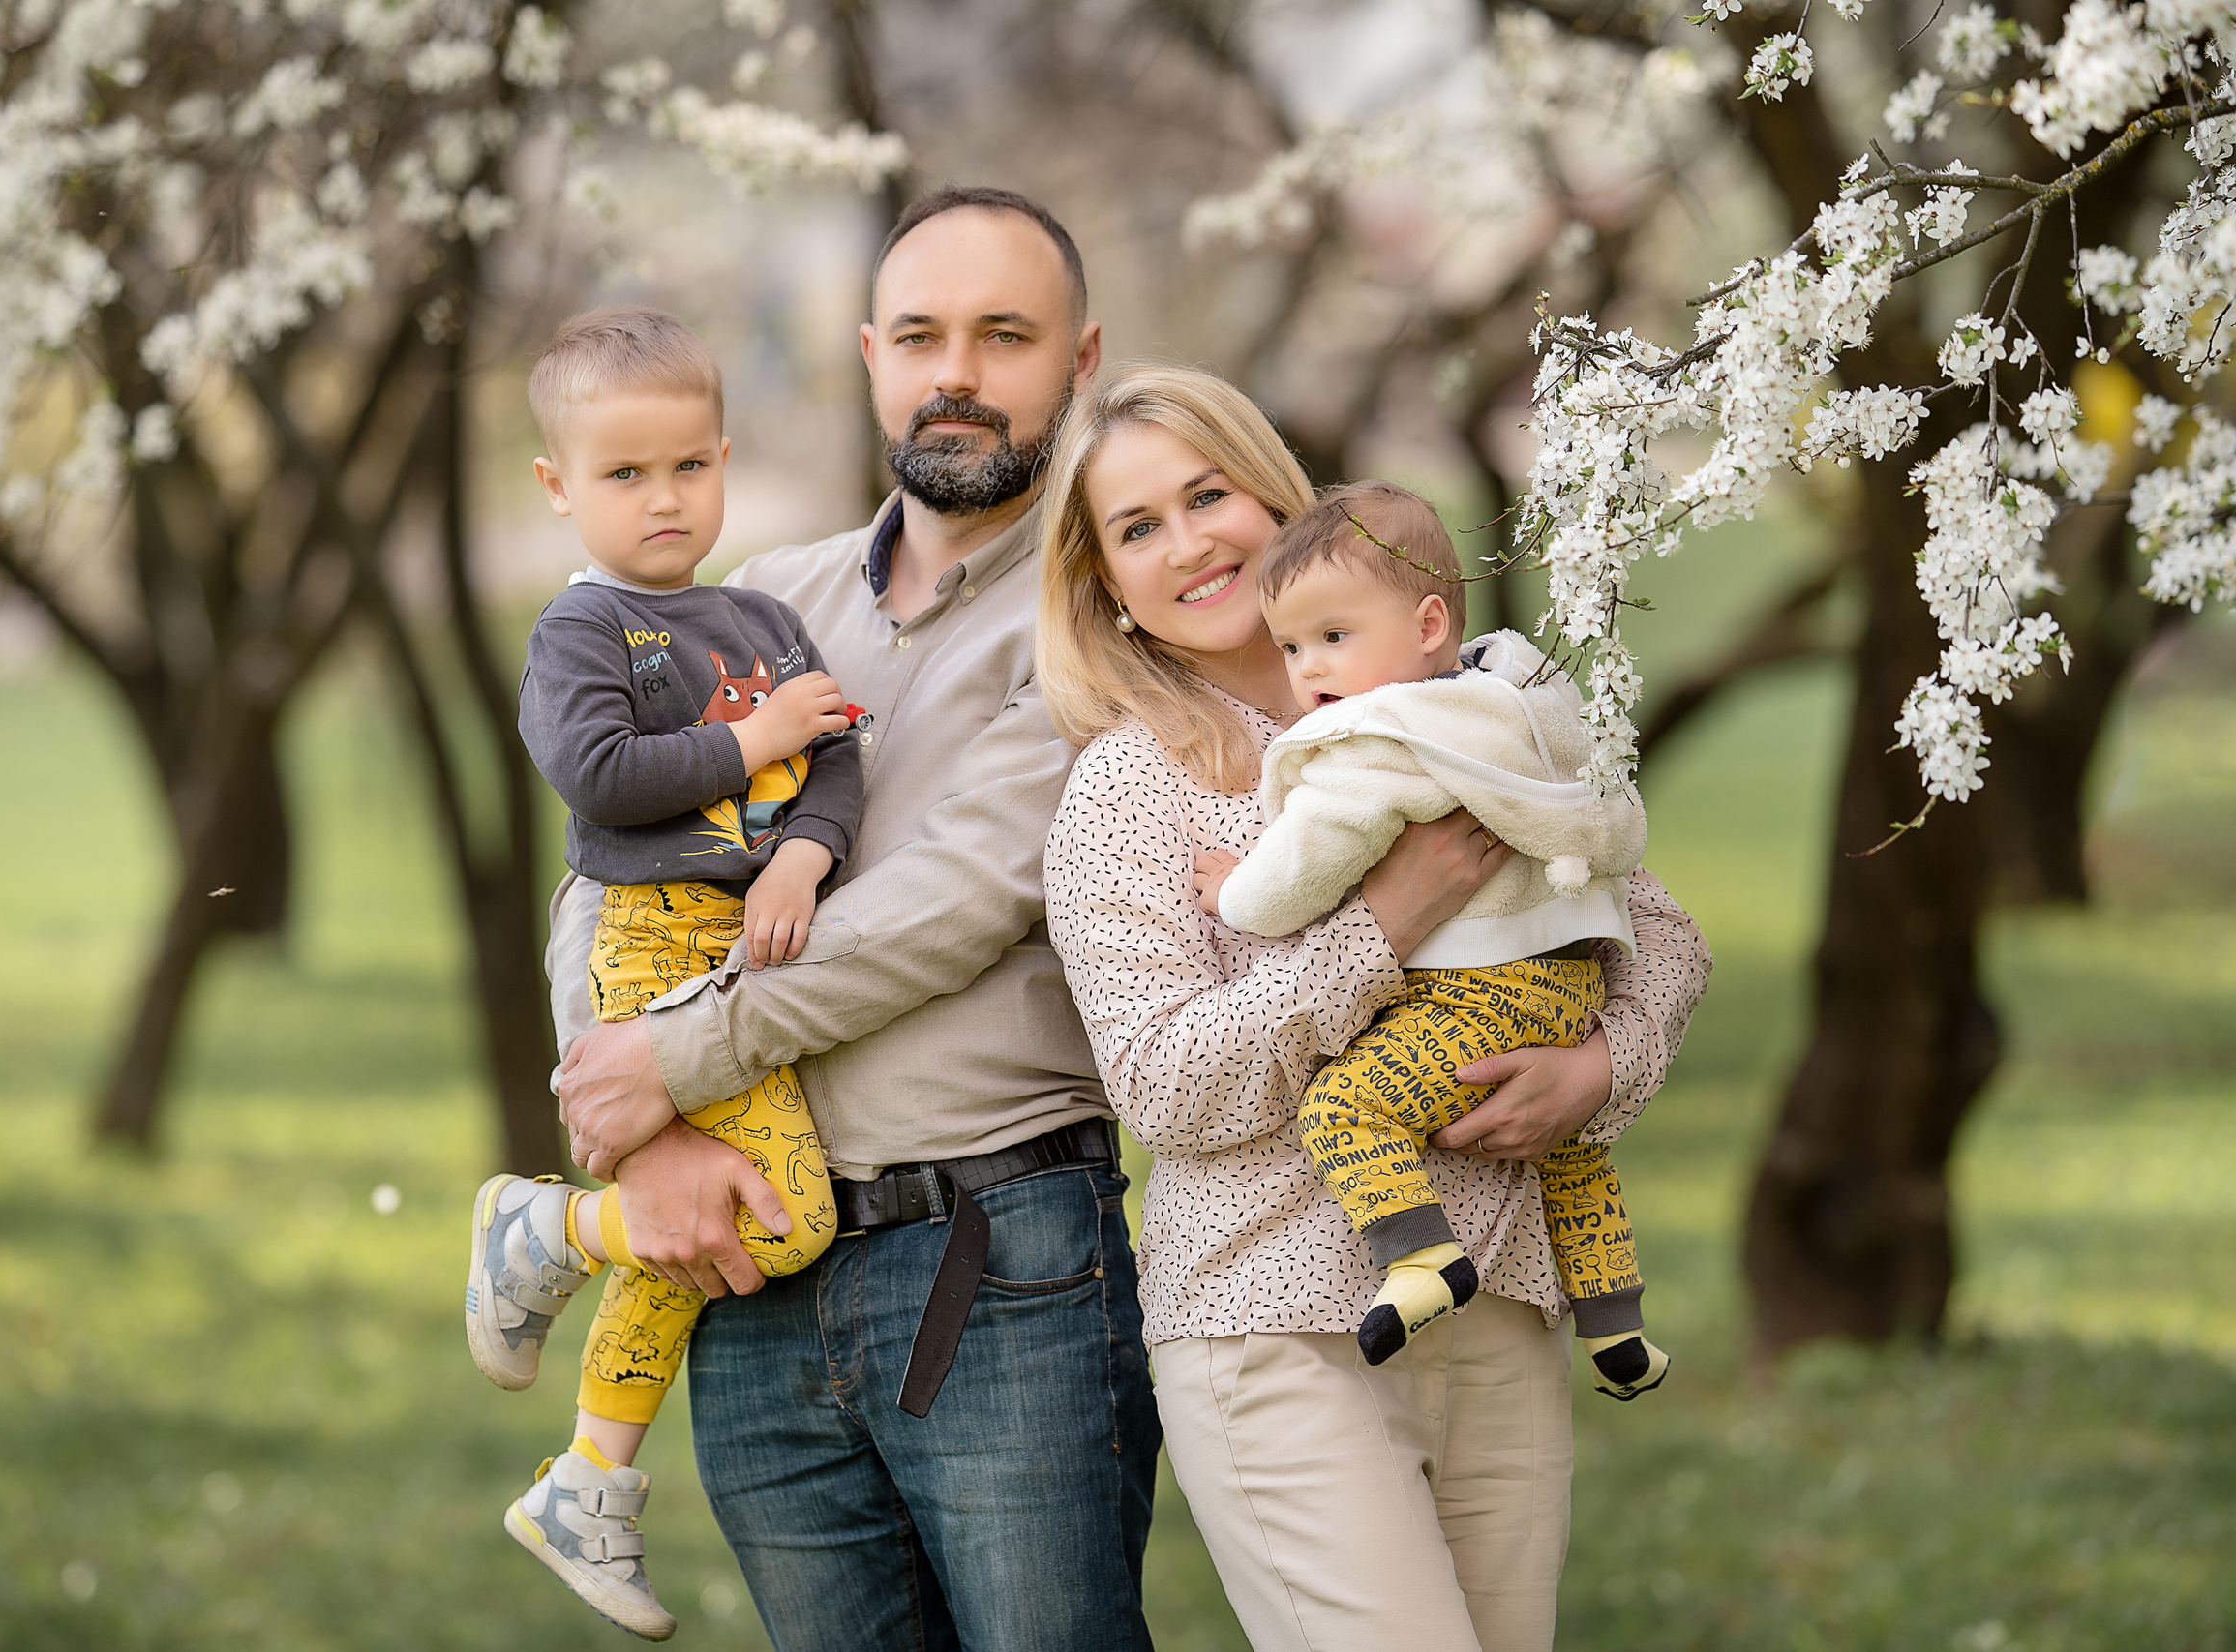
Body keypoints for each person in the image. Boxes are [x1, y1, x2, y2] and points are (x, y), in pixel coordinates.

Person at [551, 188, 1158, 1651]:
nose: (959, 372)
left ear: (1080, 359)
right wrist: (639, 1122)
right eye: (922, 335)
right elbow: (604, 876)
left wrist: (673, 1057)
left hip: (994, 1259)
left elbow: (954, 900)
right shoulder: (761, 597)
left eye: (1004, 335)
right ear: (872, 354)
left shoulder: (1099, 618)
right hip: (746, 1264)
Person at [1038, 362, 1709, 1652]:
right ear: (1106, 581)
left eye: (1208, 495)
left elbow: (1660, 932)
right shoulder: (1130, 788)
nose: (1187, 544)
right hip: (1281, 1327)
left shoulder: (1465, 713)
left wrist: (1598, 1070)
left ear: (1273, 498)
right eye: (1137, 527)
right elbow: (1167, 1086)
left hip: (1503, 1306)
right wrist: (1381, 926)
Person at [461, 305, 864, 1639]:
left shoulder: (760, 618)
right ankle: (554, 1233)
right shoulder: (581, 634)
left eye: (689, 465)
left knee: (714, 1221)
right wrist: (752, 739)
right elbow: (602, 776)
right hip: (648, 940)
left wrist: (804, 854)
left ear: (724, 459)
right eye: (624, 473)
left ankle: (588, 1478)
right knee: (782, 1218)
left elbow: (836, 759)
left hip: (747, 940)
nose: (664, 498)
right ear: (558, 484)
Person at [1194, 479, 1669, 1397]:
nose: (1309, 668)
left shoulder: (1383, 736)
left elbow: (1306, 864)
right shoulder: (1515, 703)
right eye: (1291, 645)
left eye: (1334, 636)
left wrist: (1234, 896)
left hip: (1474, 993)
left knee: (1345, 1107)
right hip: (1572, 985)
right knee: (1573, 1153)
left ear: (1427, 626)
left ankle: (1422, 1259)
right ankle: (1617, 1325)